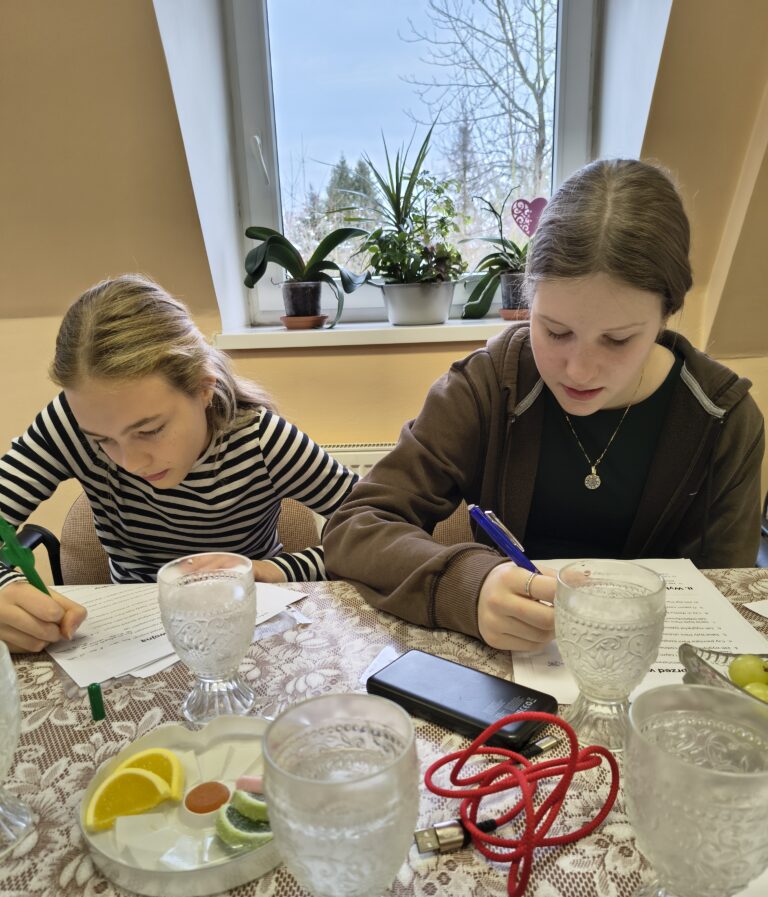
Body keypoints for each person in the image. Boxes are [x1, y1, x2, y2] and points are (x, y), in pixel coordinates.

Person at [325, 158, 764, 652]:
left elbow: (728, 589)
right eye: (555, 331)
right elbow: (357, 527)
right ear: (529, 301)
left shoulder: (723, 420)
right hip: (510, 665)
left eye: (618, 340)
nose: (578, 371)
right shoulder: (489, 385)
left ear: (667, 314)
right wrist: (469, 586)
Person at [0, 275, 357, 653]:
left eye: (150, 430)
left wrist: (278, 569)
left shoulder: (263, 440)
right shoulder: (69, 424)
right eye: (101, 440)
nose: (131, 463)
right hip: (132, 633)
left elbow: (379, 530)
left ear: (203, 388)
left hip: (250, 625)